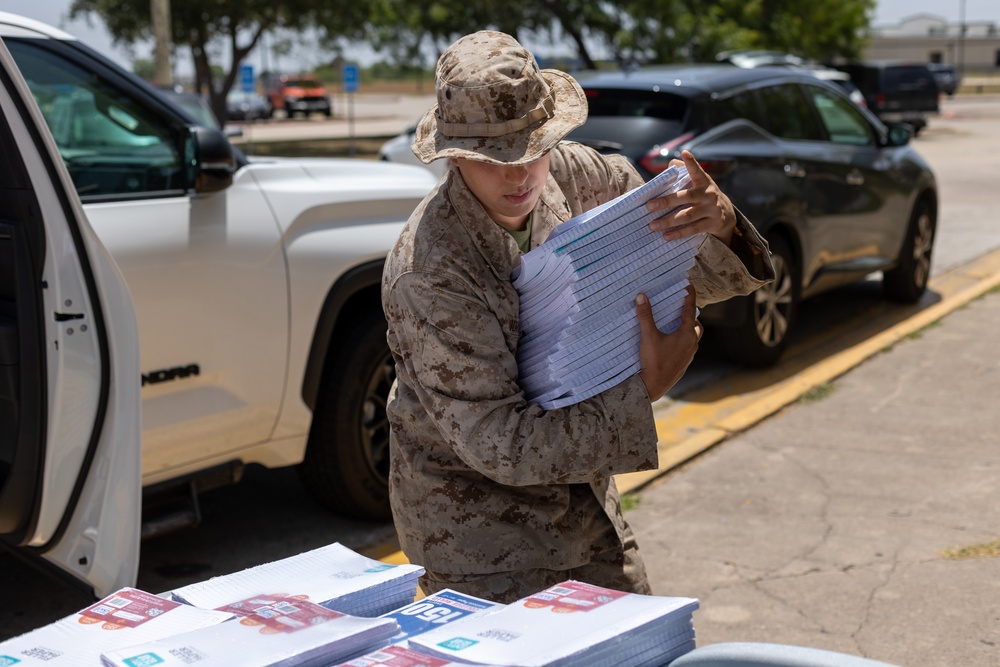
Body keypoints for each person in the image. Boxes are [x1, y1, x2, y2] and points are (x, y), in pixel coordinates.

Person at [381, 30, 775, 603]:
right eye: (492, 159)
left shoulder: (584, 176)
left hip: (585, 511)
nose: (519, 176)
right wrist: (647, 386)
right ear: (454, 153)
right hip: (482, 544)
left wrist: (720, 225)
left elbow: (689, 280)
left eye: (532, 148)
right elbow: (501, 443)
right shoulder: (430, 270)